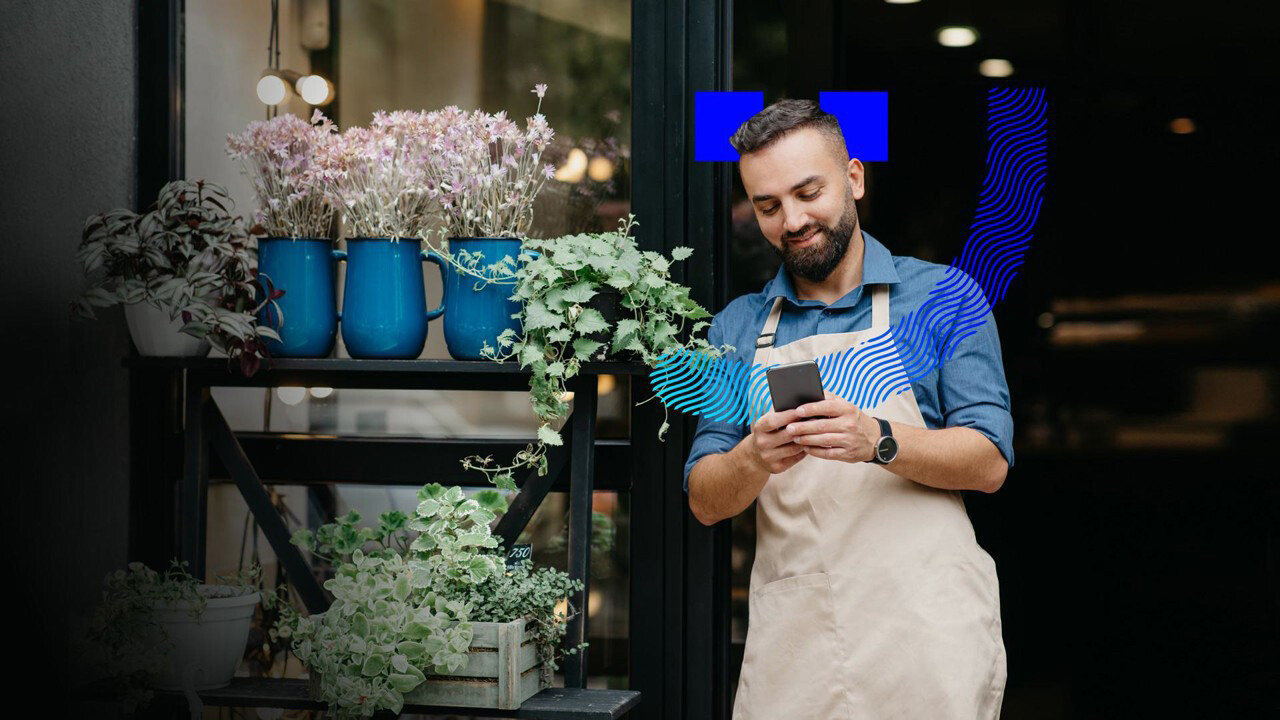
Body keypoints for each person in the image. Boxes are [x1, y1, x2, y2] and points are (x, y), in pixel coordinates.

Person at [685, 99, 1012, 719]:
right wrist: (753, 456)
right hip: (798, 640)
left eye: (809, 192)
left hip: (926, 633)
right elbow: (706, 500)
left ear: (854, 179)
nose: (793, 220)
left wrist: (877, 439)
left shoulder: (943, 297)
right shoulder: (739, 327)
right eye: (768, 205)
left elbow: (989, 461)